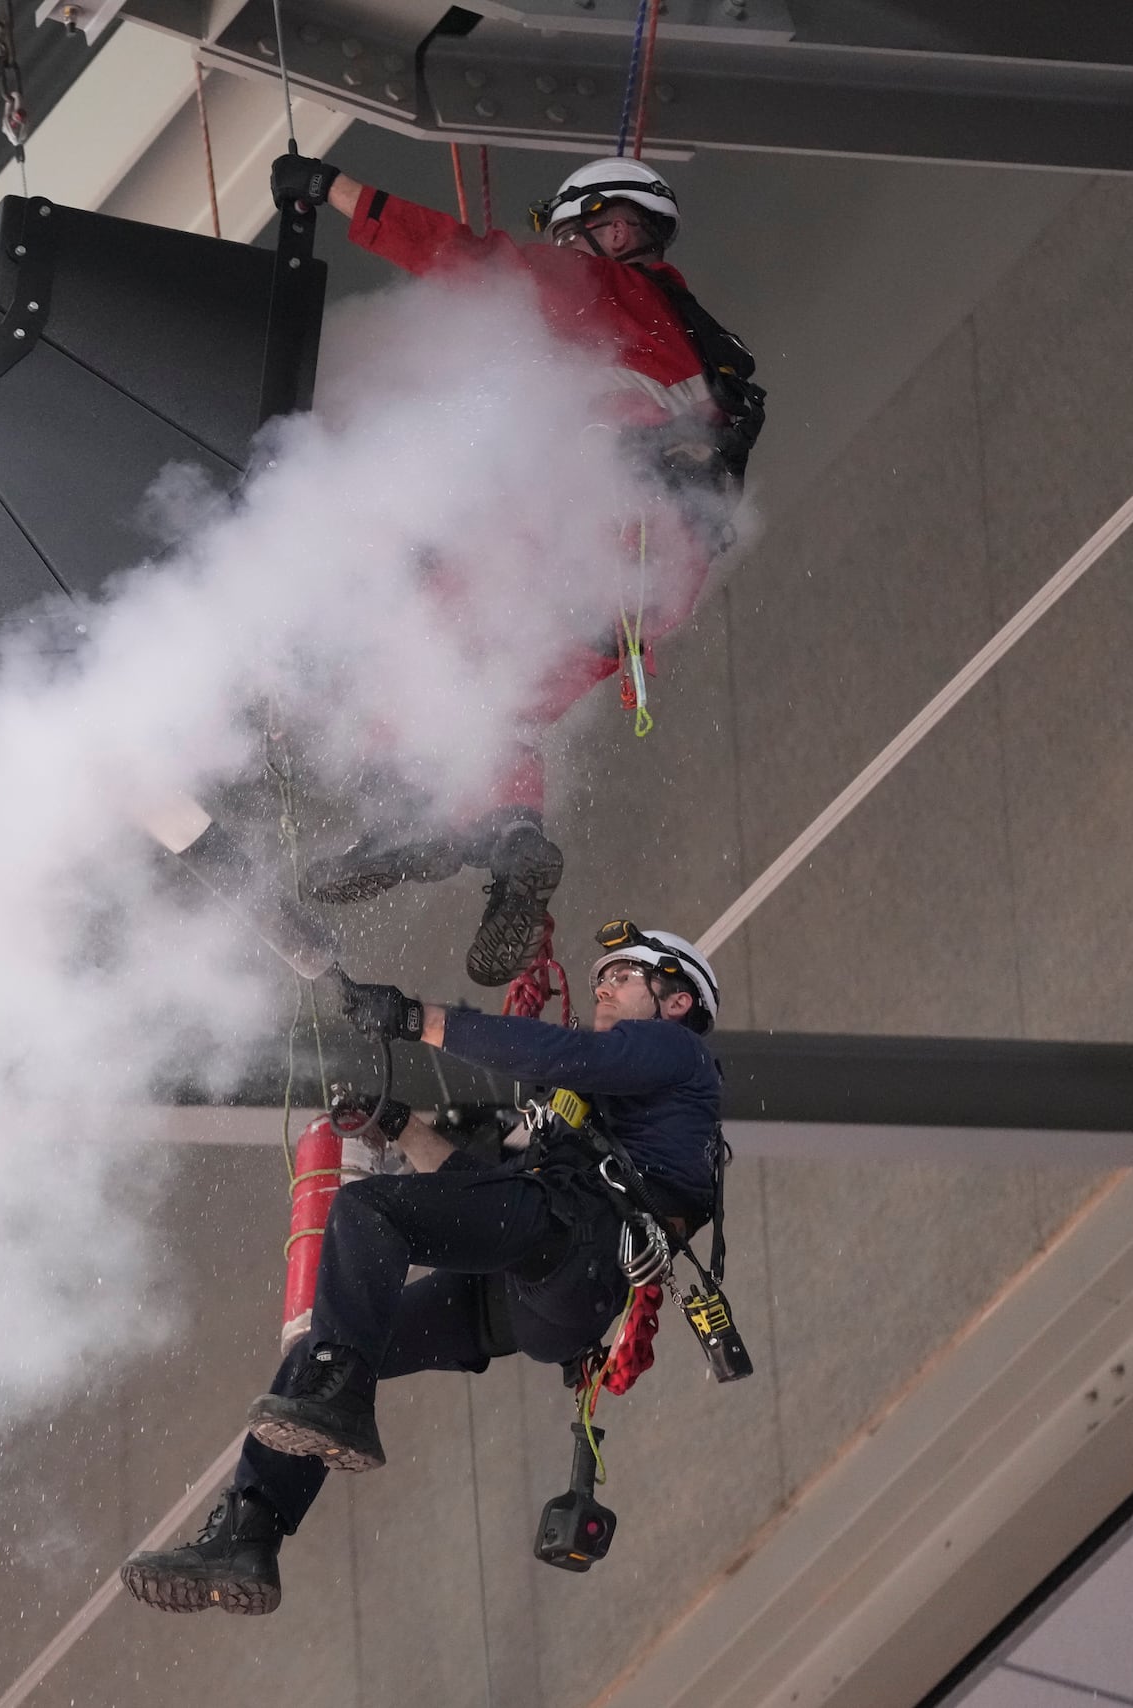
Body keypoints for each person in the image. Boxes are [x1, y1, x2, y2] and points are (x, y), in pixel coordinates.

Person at [263, 152, 764, 988]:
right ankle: (509, 835)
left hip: (591, 531)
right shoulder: (702, 344)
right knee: (500, 707)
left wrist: (333, 188)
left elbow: (460, 258)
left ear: (602, 227)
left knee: (411, 632)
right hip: (653, 585)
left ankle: (405, 817)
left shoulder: (593, 289)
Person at [119, 922, 724, 1615]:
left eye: (623, 976)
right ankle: (250, 1531)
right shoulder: (596, 1114)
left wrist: (419, 1020)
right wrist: (403, 1127)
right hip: (530, 1285)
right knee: (320, 1352)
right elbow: (479, 1199)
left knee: (367, 1214)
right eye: (600, 980)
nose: (602, 988)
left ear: (676, 1002)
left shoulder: (677, 1055)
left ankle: (340, 1399)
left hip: (575, 1246)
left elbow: (560, 1056)